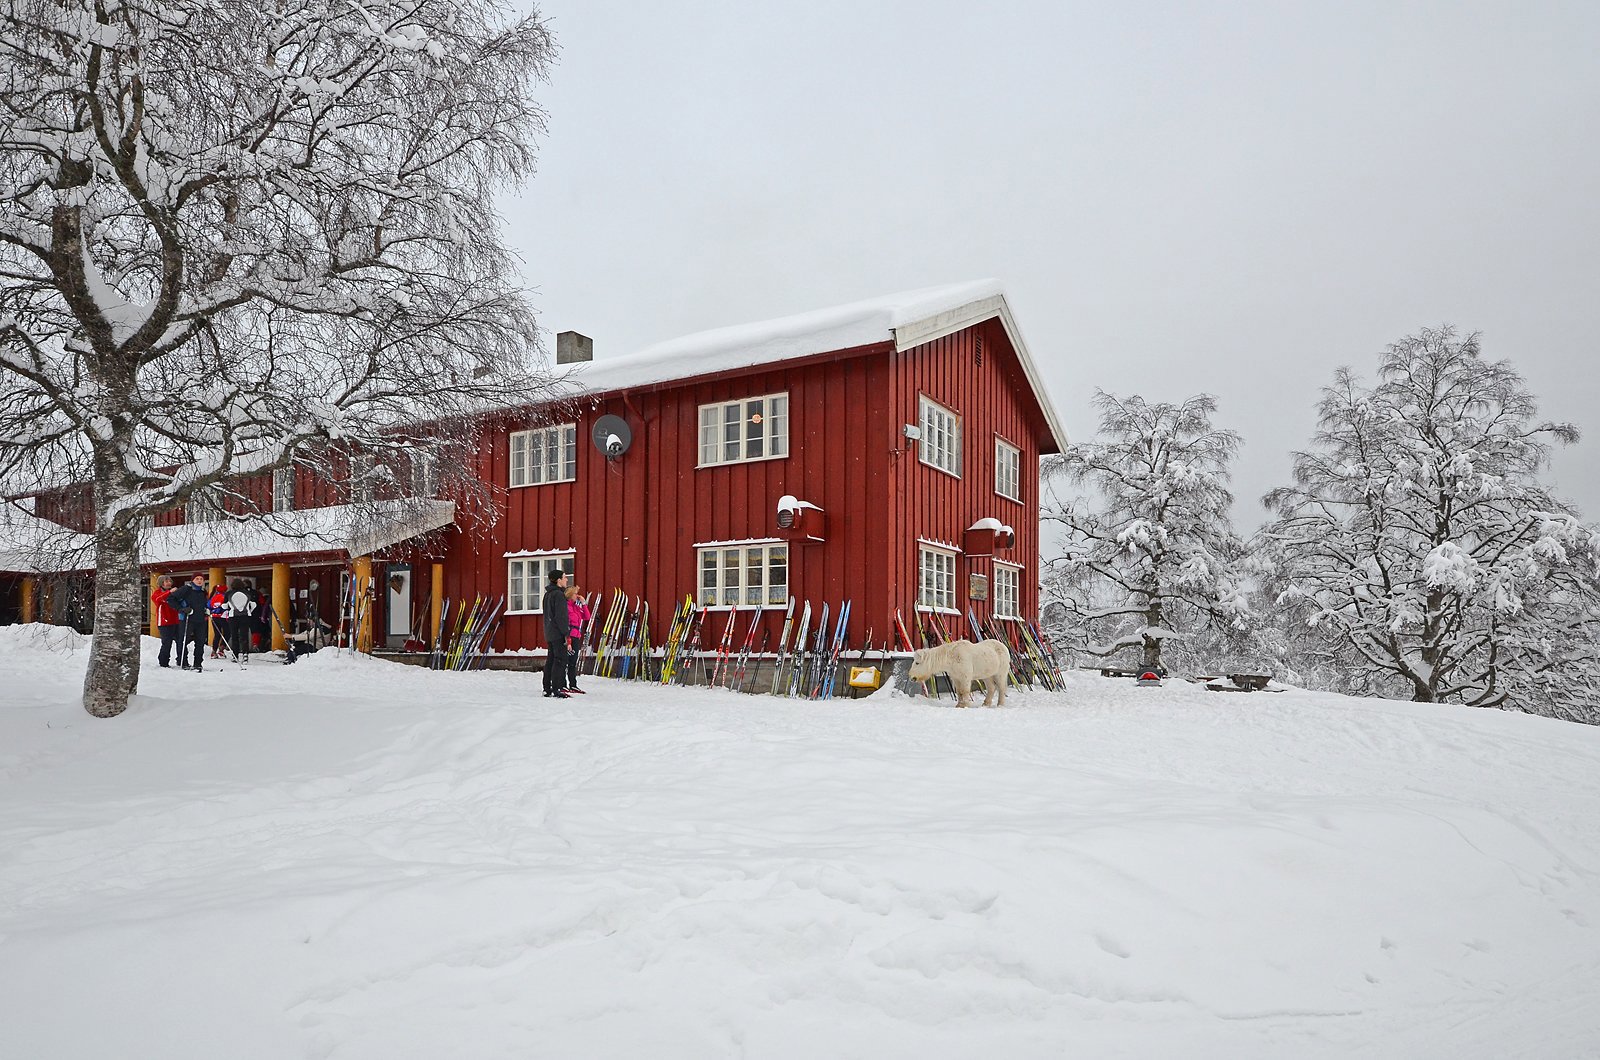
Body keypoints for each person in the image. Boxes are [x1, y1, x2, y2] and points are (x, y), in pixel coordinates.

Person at [169, 573, 210, 671]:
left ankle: (198, 663)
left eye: (201, 579)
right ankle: (183, 661)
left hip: (200, 620)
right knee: (183, 640)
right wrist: (182, 609)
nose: (199, 581)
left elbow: (202, 604)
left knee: (200, 642)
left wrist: (206, 610)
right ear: (192, 580)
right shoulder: (186, 589)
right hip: (187, 619)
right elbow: (171, 599)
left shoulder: (203, 591)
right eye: (197, 579)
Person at [541, 568, 571, 699]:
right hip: (558, 633)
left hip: (549, 632)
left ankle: (547, 688)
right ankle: (557, 688)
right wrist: (566, 633)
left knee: (551, 660)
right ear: (558, 580)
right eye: (564, 577)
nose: (567, 579)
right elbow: (561, 616)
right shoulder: (559, 595)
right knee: (560, 660)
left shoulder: (547, 594)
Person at [564, 583, 592, 694]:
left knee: (573, 662)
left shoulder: (576, 607)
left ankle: (573, 684)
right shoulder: (566, 607)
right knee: (567, 661)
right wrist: (568, 640)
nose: (577, 595)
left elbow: (587, 617)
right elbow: (565, 623)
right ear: (570, 595)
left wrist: (584, 603)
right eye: (575, 594)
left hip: (576, 636)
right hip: (569, 636)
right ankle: (563, 684)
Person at [151, 575, 181, 668]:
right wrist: (169, 592)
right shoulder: (157, 593)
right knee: (167, 642)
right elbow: (157, 599)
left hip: (176, 620)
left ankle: (181, 659)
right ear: (161, 583)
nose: (169, 583)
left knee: (180, 641)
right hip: (164, 622)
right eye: (166, 581)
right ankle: (163, 662)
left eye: (169, 581)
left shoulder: (174, 593)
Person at [226, 578, 258, 662]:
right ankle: (245, 654)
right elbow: (254, 604)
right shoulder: (248, 593)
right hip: (245, 616)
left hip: (233, 616)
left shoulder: (229, 593)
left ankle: (235, 655)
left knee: (234, 636)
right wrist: (249, 611)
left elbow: (224, 606)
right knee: (244, 636)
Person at [207, 582, 230, 658]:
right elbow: (227, 606)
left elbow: (208, 606)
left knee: (217, 634)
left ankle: (214, 651)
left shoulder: (213, 597)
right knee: (227, 633)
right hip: (223, 617)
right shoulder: (225, 596)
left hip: (214, 617)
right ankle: (221, 649)